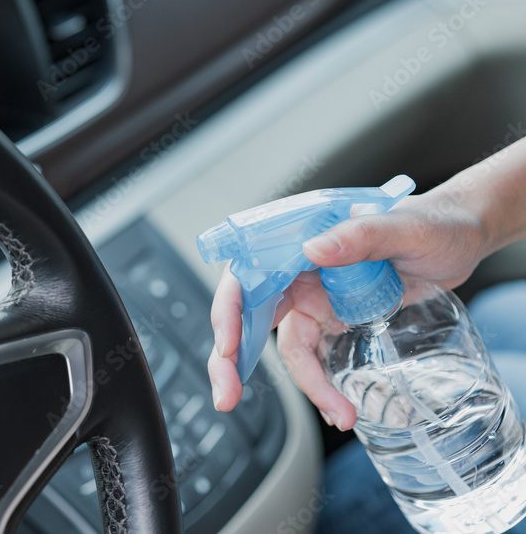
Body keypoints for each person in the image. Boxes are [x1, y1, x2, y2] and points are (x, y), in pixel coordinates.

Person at [206, 136, 526, 533]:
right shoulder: (418, 302)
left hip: (489, 489)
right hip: (471, 487)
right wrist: (468, 213)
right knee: (495, 314)